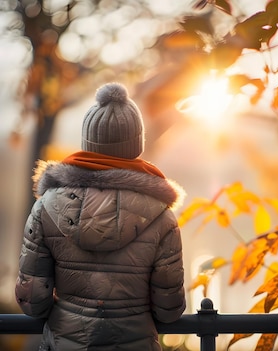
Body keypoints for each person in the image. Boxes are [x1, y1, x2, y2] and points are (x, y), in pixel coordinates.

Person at [15, 82, 186, 350]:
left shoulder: (47, 205)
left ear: (88, 143)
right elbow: (169, 309)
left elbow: (33, 301)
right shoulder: (161, 215)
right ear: (136, 144)